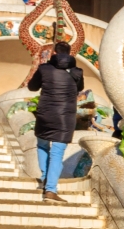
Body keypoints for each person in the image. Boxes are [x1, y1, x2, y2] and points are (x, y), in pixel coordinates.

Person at [27, 41, 83, 202]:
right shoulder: (77, 72)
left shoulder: (44, 69)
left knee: (42, 145)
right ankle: (50, 189)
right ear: (70, 53)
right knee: (57, 153)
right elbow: (79, 88)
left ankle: (45, 178)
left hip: (46, 114)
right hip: (65, 118)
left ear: (54, 53)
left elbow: (32, 87)